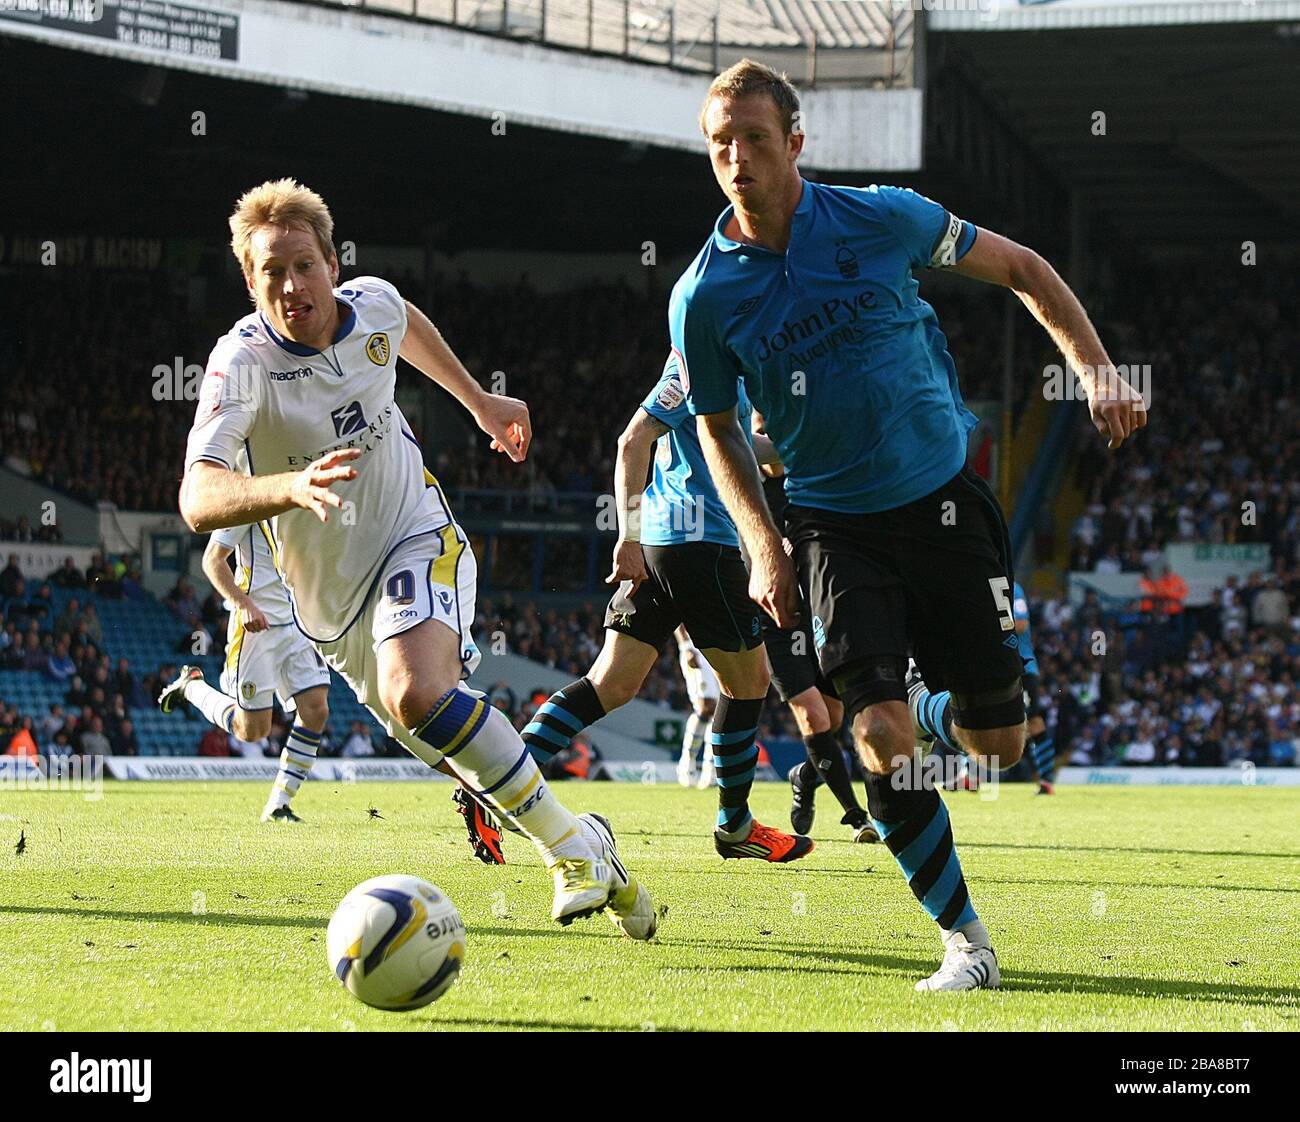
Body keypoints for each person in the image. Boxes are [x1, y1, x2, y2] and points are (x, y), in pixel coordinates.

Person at [674, 60, 1146, 990]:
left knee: (996, 748)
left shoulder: (881, 217)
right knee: (878, 735)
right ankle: (966, 940)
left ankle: (946, 704)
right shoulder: (702, 295)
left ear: (796, 142)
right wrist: (764, 541)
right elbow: (716, 427)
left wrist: (1095, 369)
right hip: (831, 527)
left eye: (755, 140)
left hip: (943, 504)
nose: (737, 160)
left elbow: (1023, 269)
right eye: (720, 144)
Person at [177, 177, 651, 936]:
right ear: (250, 280)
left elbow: (407, 327)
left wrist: (478, 402)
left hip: (412, 531)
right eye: (272, 272)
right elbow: (197, 498)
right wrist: (288, 485)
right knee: (441, 738)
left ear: (333, 263)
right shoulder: (241, 366)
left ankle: (569, 853)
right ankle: (589, 843)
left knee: (417, 691)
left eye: (305, 265)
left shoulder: (375, 305)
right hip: (330, 606)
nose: (292, 286)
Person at [521, 352, 811, 862]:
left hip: (667, 545)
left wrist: (797, 448)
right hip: (698, 545)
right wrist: (625, 537)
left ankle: (500, 785)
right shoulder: (692, 366)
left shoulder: (727, 377)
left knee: (609, 686)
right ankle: (735, 825)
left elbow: (739, 445)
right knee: (748, 683)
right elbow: (632, 441)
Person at [158, 521, 333, 823]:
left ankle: (279, 803)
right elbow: (212, 560)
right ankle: (192, 687)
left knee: (316, 710)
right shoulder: (249, 503)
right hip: (257, 627)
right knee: (252, 731)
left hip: (299, 623)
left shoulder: (303, 497)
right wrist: (243, 604)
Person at [674, 625, 720, 788]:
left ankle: (711, 770)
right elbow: (677, 612)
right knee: (705, 707)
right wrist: (685, 646)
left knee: (720, 710)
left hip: (719, 647)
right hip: (696, 648)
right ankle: (687, 766)